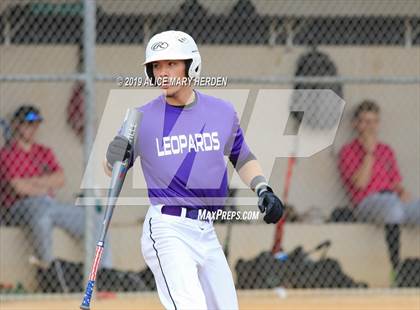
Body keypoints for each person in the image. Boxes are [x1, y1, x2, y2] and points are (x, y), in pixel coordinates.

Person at [105, 30, 284, 309]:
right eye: (156, 66)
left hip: (206, 230)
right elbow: (111, 168)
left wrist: (263, 188)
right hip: (168, 229)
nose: (162, 72)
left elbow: (242, 156)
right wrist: (116, 153)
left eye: (171, 64)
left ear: (192, 65)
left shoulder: (222, 111)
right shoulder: (141, 118)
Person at [0, 105, 112, 269]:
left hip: (49, 204)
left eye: (36, 123)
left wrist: (31, 182)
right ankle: (48, 271)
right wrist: (45, 183)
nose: (33, 128)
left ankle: (104, 274)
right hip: (18, 208)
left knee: (96, 220)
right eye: (28, 124)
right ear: (17, 124)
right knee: (42, 215)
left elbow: (60, 179)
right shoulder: (7, 153)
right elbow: (18, 187)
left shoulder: (43, 151)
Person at [339, 100, 420, 275]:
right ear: (356, 124)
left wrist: (403, 192)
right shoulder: (348, 151)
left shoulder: (386, 150)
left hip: (393, 198)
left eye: (374, 121)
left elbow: (395, 183)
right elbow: (360, 184)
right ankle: (395, 270)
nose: (371, 126)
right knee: (393, 210)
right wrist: (369, 152)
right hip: (368, 202)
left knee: (408, 206)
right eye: (366, 121)